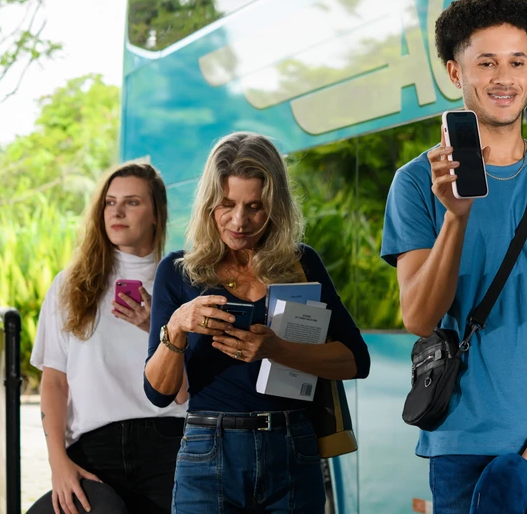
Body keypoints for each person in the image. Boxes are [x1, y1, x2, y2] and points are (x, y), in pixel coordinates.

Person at [381, 0, 527, 513]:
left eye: (517, 61)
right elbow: (419, 316)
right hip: (463, 444)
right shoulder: (417, 184)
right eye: (486, 62)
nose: (503, 77)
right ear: (455, 73)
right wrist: (455, 217)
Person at [143, 131, 371, 513]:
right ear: (208, 205)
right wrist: (179, 325)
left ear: (275, 206)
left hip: (292, 447)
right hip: (208, 449)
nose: (239, 220)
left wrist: (277, 349)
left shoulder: (301, 264)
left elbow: (356, 360)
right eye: (226, 204)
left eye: (255, 206)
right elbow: (158, 393)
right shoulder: (179, 271)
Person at [28, 162, 188, 514]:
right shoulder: (70, 286)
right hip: (94, 452)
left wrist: (156, 331)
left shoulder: (182, 284)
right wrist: (58, 463)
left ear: (156, 215)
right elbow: (54, 382)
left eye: (132, 202)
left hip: (169, 447)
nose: (116, 211)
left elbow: (186, 392)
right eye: (109, 202)